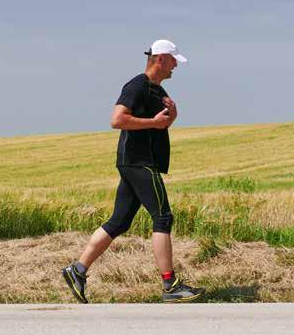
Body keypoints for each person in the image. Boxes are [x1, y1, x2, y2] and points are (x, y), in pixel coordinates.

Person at [62, 39, 206, 304]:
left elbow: (156, 127)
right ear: (160, 59)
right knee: (162, 217)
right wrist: (153, 121)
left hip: (137, 162)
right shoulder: (137, 85)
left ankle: (77, 270)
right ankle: (170, 285)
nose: (176, 65)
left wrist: (170, 117)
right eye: (173, 60)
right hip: (139, 162)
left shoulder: (155, 90)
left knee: (119, 222)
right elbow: (117, 120)